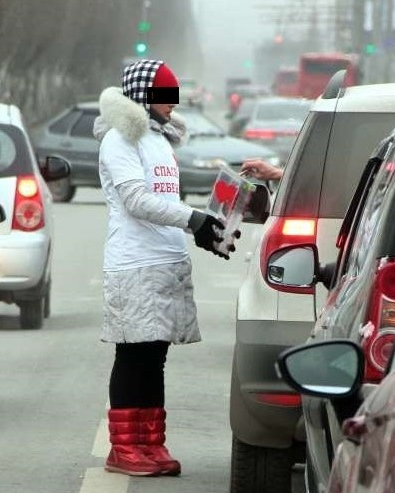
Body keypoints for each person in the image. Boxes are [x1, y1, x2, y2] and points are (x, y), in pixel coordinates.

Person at [92, 59, 234, 477]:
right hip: (135, 263)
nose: (172, 105)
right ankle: (124, 448)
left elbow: (166, 201)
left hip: (167, 260)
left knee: (155, 356)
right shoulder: (120, 140)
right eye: (164, 97)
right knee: (134, 353)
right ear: (142, 98)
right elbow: (137, 201)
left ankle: (151, 443)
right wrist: (194, 220)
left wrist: (208, 229)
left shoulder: (159, 141)